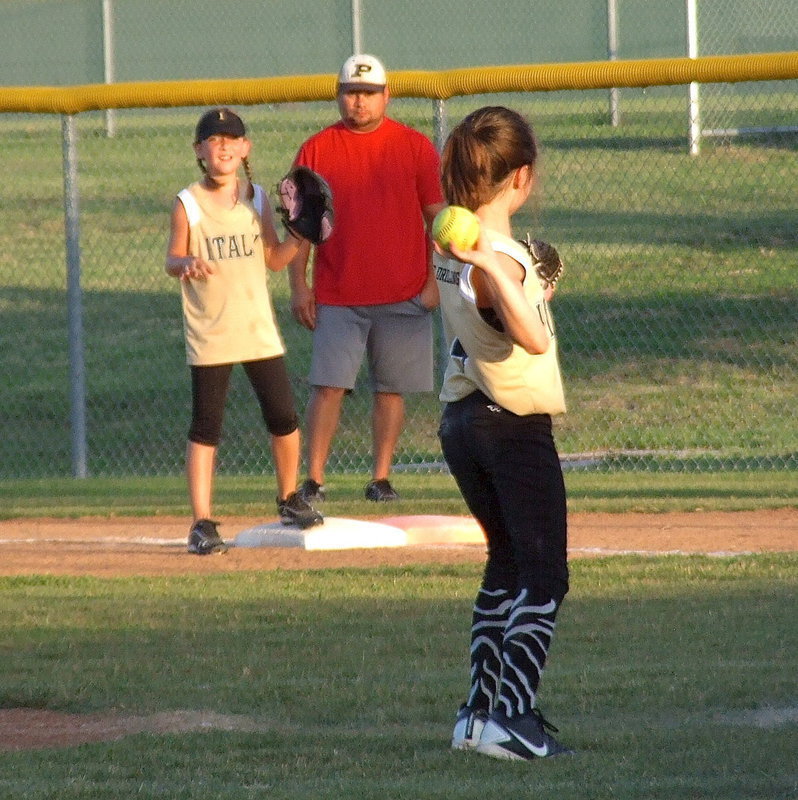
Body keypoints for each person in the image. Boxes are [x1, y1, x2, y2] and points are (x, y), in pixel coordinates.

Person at [434, 106, 573, 759]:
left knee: (508, 564)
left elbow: (497, 306)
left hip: (463, 418)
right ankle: (511, 718)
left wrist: (524, 281)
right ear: (522, 176)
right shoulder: (493, 256)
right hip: (510, 426)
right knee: (544, 574)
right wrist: (506, 272)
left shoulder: (454, 245)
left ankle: (477, 713)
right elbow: (526, 331)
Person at [166, 107, 323, 556]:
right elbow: (171, 258)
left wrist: (301, 236)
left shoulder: (255, 199)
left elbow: (273, 259)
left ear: (245, 148)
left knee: (284, 417)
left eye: (232, 139)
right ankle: (201, 522)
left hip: (257, 328)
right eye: (214, 141)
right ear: (199, 151)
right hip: (211, 332)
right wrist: (186, 263)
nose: (223, 147)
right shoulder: (188, 203)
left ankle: (289, 498)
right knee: (206, 427)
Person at [288, 54, 444, 504]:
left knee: (391, 389)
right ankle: (314, 479)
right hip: (338, 292)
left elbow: (439, 219)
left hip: (403, 290)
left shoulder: (413, 146)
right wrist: (300, 285)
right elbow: (300, 226)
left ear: (386, 96)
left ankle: (381, 477)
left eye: (369, 93)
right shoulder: (316, 149)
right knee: (328, 386)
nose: (359, 102)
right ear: (339, 95)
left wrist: (434, 281)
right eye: (352, 92)